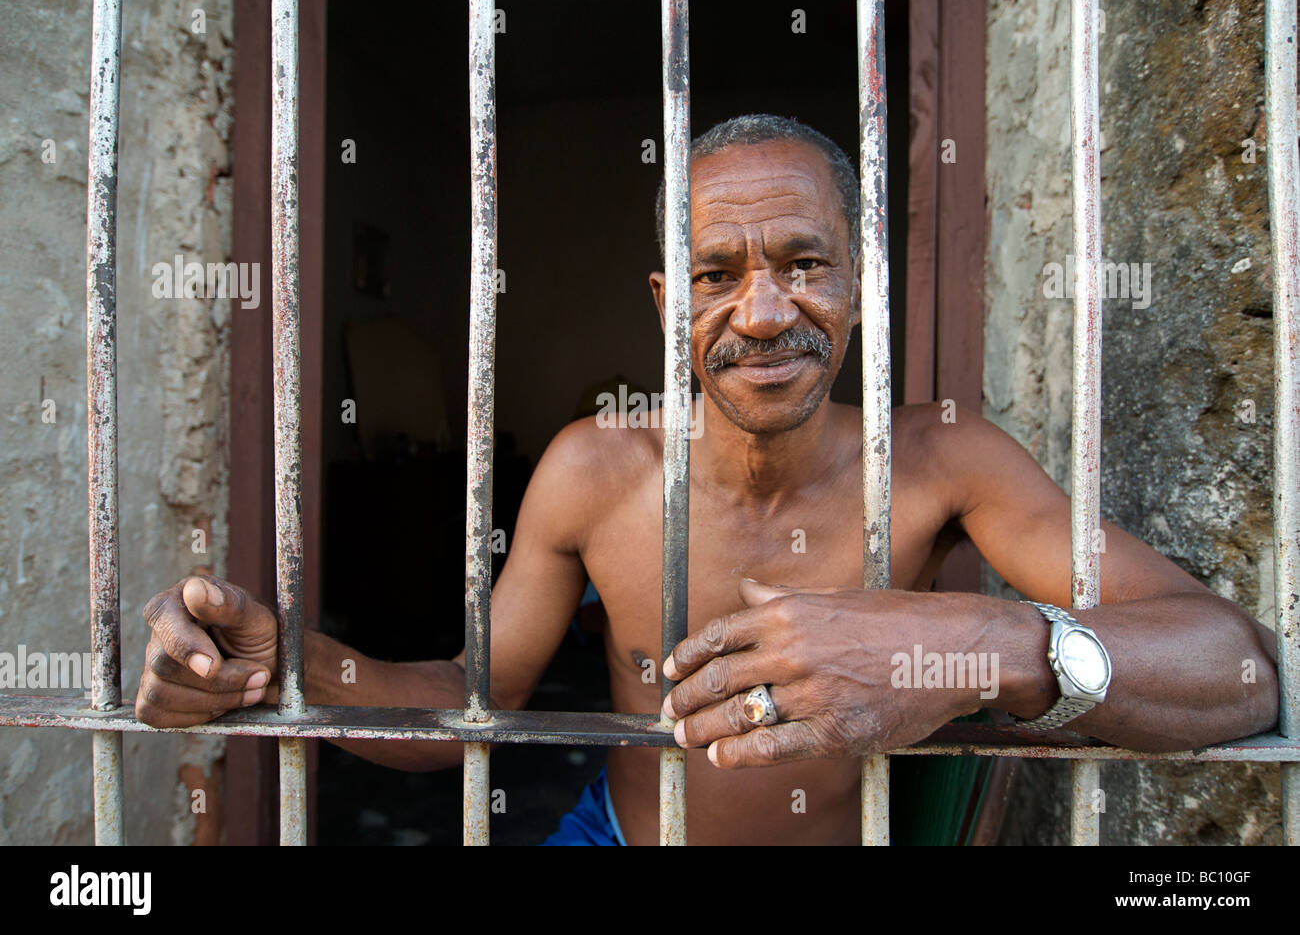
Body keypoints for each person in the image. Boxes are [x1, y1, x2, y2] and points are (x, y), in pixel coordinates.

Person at [134, 115, 1279, 845]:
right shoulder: (595, 467)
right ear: (664, 303)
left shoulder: (941, 459)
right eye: (715, 272)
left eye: (804, 263)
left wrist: (984, 641)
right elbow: (467, 708)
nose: (764, 311)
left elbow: (1232, 669)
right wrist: (299, 664)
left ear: (859, 284)